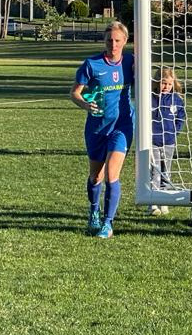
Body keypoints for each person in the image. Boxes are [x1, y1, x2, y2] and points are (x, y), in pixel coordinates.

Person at [70, 21, 135, 239]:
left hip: (122, 126)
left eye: (117, 40)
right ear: (104, 41)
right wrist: (86, 104)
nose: (113, 44)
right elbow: (75, 93)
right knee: (95, 176)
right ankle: (94, 210)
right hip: (97, 127)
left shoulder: (131, 62)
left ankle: (108, 223)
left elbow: (147, 83)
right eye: (109, 40)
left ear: (125, 41)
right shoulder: (92, 64)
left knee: (111, 175)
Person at [149, 67, 186, 216]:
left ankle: (164, 202)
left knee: (166, 173)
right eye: (164, 83)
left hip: (169, 142)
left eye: (170, 84)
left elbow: (181, 117)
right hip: (152, 141)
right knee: (154, 173)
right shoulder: (149, 97)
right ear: (157, 82)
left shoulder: (176, 99)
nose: (166, 87)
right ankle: (151, 203)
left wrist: (174, 132)